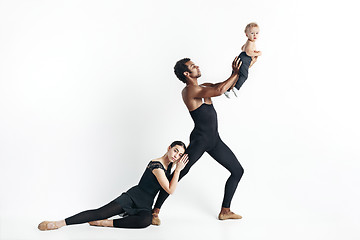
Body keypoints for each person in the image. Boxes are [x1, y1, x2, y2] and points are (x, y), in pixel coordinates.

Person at [151, 56, 244, 225]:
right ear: (187, 73)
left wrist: (240, 69)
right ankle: (155, 211)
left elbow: (221, 86)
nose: (197, 66)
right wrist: (235, 73)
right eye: (193, 66)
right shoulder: (189, 91)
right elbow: (220, 91)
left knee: (237, 171)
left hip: (214, 140)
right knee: (180, 173)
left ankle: (225, 210)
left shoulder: (204, 87)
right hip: (199, 141)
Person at [38, 141, 189, 230]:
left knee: (145, 221)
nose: (176, 156)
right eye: (175, 151)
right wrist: (179, 170)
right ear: (169, 148)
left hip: (145, 205)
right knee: (100, 212)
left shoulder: (169, 166)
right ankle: (58, 223)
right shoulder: (157, 166)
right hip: (132, 197)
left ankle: (105, 223)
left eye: (180, 155)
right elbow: (170, 189)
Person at [225, 22, 261, 98]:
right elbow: (248, 52)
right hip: (245, 58)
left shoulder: (249, 42)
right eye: (252, 33)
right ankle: (236, 88)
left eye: (257, 33)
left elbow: (242, 48)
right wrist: (257, 53)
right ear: (246, 34)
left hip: (242, 56)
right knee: (244, 76)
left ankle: (227, 90)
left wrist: (251, 50)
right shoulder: (250, 42)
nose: (255, 35)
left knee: (235, 75)